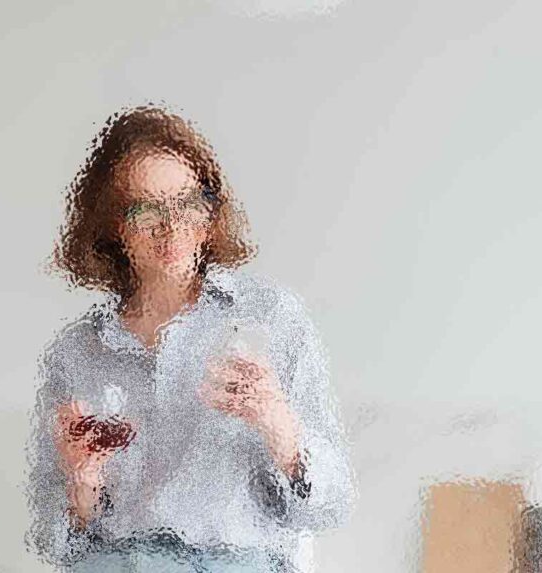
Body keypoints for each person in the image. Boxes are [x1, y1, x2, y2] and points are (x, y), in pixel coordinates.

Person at [23, 103, 357, 572]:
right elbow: (55, 545)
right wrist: (83, 482)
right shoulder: (77, 352)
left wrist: (277, 425)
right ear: (113, 225)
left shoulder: (269, 316)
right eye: (146, 209)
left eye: (188, 203)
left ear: (210, 212)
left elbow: (331, 505)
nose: (171, 226)